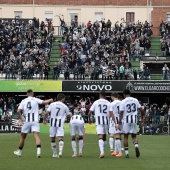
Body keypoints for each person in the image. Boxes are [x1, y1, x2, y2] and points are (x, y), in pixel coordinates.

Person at [14, 89, 53, 158]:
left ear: (27, 94)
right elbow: (44, 102)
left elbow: (18, 111)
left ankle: (19, 152)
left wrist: (21, 118)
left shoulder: (23, 101)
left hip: (27, 121)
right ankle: (38, 152)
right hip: (35, 121)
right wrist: (50, 100)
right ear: (33, 94)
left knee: (23, 137)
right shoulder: (35, 99)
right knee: (36, 136)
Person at [88, 91, 116, 158]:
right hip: (106, 121)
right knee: (104, 137)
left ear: (99, 95)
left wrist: (89, 118)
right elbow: (111, 113)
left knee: (100, 136)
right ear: (105, 96)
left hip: (99, 121)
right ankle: (103, 151)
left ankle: (102, 152)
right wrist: (115, 122)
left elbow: (90, 112)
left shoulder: (96, 102)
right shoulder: (108, 103)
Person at [43, 94, 71, 158]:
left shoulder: (52, 104)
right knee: (60, 138)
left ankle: (54, 153)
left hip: (52, 123)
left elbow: (46, 113)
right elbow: (69, 115)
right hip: (60, 123)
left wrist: (44, 120)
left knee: (53, 138)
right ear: (63, 99)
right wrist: (70, 119)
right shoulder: (65, 106)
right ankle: (60, 152)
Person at [118, 89, 144, 158]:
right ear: (130, 93)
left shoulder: (123, 101)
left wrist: (119, 122)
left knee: (126, 136)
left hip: (126, 120)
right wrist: (142, 118)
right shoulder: (135, 100)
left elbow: (121, 113)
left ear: (124, 94)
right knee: (134, 136)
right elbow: (141, 110)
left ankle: (127, 153)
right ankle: (136, 146)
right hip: (134, 119)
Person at [109, 92, 123, 157]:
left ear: (112, 96)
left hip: (115, 120)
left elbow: (110, 114)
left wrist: (114, 122)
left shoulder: (111, 104)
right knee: (118, 135)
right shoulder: (122, 103)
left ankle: (120, 152)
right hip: (121, 120)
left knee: (116, 136)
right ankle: (115, 151)